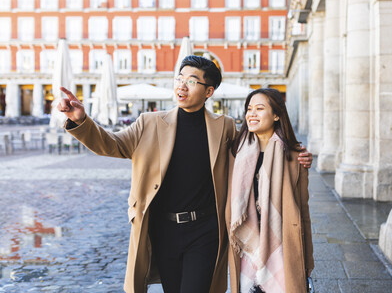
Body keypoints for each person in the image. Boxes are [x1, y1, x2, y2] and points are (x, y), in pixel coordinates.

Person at [57, 55, 313, 293]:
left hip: (205, 231)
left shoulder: (223, 127)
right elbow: (112, 144)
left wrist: (294, 155)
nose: (182, 86)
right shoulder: (150, 122)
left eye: (192, 81)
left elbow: (253, 152)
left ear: (209, 92)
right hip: (162, 229)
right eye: (180, 79)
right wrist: (81, 121)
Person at [225, 88, 314, 293]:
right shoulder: (235, 153)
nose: (252, 114)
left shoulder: (294, 156)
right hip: (246, 248)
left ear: (276, 115)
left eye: (259, 108)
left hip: (282, 247)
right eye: (249, 109)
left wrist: (307, 260)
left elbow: (303, 211)